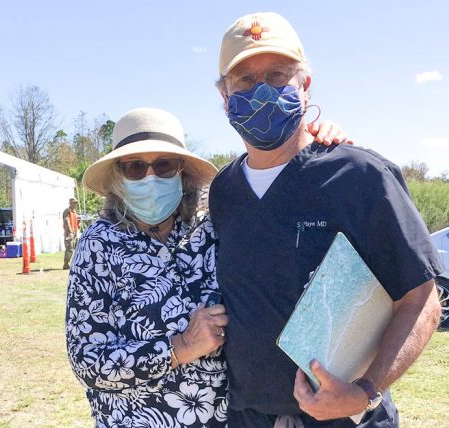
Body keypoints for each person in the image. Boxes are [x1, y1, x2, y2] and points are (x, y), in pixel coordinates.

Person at [209, 12, 445, 427]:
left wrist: (366, 391)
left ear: (305, 85)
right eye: (244, 80)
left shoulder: (361, 176)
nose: (261, 91)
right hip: (248, 417)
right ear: (224, 96)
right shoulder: (223, 190)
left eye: (278, 75)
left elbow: (421, 298)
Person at [66, 107, 350, 426]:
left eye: (163, 165)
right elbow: (86, 361)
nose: (151, 178)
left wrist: (313, 148)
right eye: (135, 168)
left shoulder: (211, 226)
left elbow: (276, 207)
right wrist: (180, 347)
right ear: (118, 176)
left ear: (182, 172)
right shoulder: (99, 244)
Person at [62, 197, 80, 269]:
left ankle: (70, 263)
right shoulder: (67, 211)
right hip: (69, 233)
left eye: (76, 203)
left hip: (74, 232)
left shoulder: (75, 212)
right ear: (70, 203)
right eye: (74, 203)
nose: (75, 204)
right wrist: (70, 231)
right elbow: (67, 221)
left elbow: (77, 221)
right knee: (69, 247)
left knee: (74, 247)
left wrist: (79, 224)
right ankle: (66, 263)